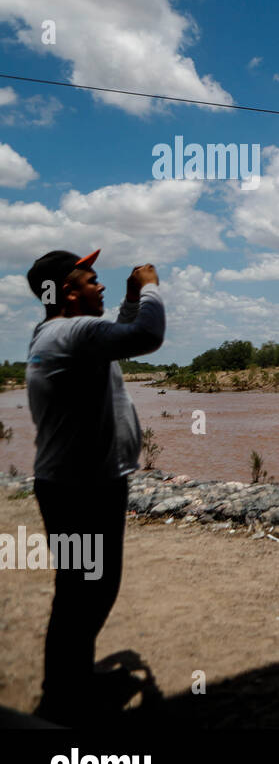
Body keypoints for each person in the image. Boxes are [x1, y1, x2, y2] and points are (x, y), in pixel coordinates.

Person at [24, 249, 165, 724]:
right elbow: (146, 335)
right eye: (93, 280)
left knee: (85, 589)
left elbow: (120, 338)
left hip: (75, 483)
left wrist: (126, 298)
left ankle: (72, 682)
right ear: (68, 291)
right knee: (84, 591)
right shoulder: (75, 331)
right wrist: (149, 288)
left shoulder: (58, 332)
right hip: (82, 488)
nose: (100, 286)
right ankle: (62, 699)